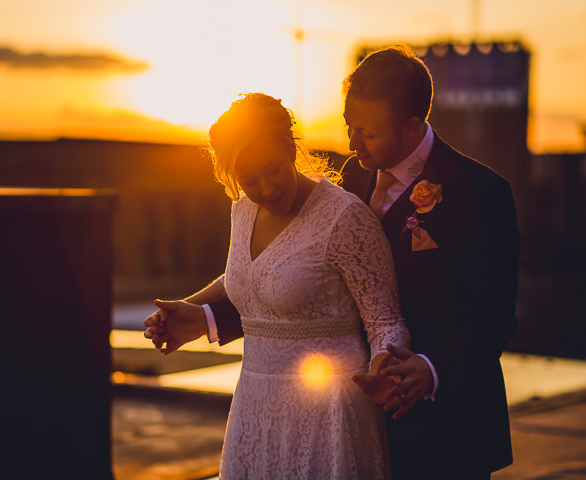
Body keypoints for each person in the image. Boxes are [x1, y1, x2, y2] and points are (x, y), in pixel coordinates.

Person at [147, 46, 520, 479]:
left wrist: (429, 368)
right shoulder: (354, 174)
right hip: (353, 408)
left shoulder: (481, 193)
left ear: (412, 126)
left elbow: (493, 319)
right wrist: (205, 316)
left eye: (368, 132)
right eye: (349, 126)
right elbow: (300, 275)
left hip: (445, 423)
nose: (351, 143)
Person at [147, 92, 409, 479]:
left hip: (329, 414)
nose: (266, 190)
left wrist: (385, 367)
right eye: (249, 180)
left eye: (272, 170)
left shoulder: (345, 218)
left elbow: (385, 319)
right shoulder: (243, 211)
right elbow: (251, 274)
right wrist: (192, 309)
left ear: (290, 148)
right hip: (255, 406)